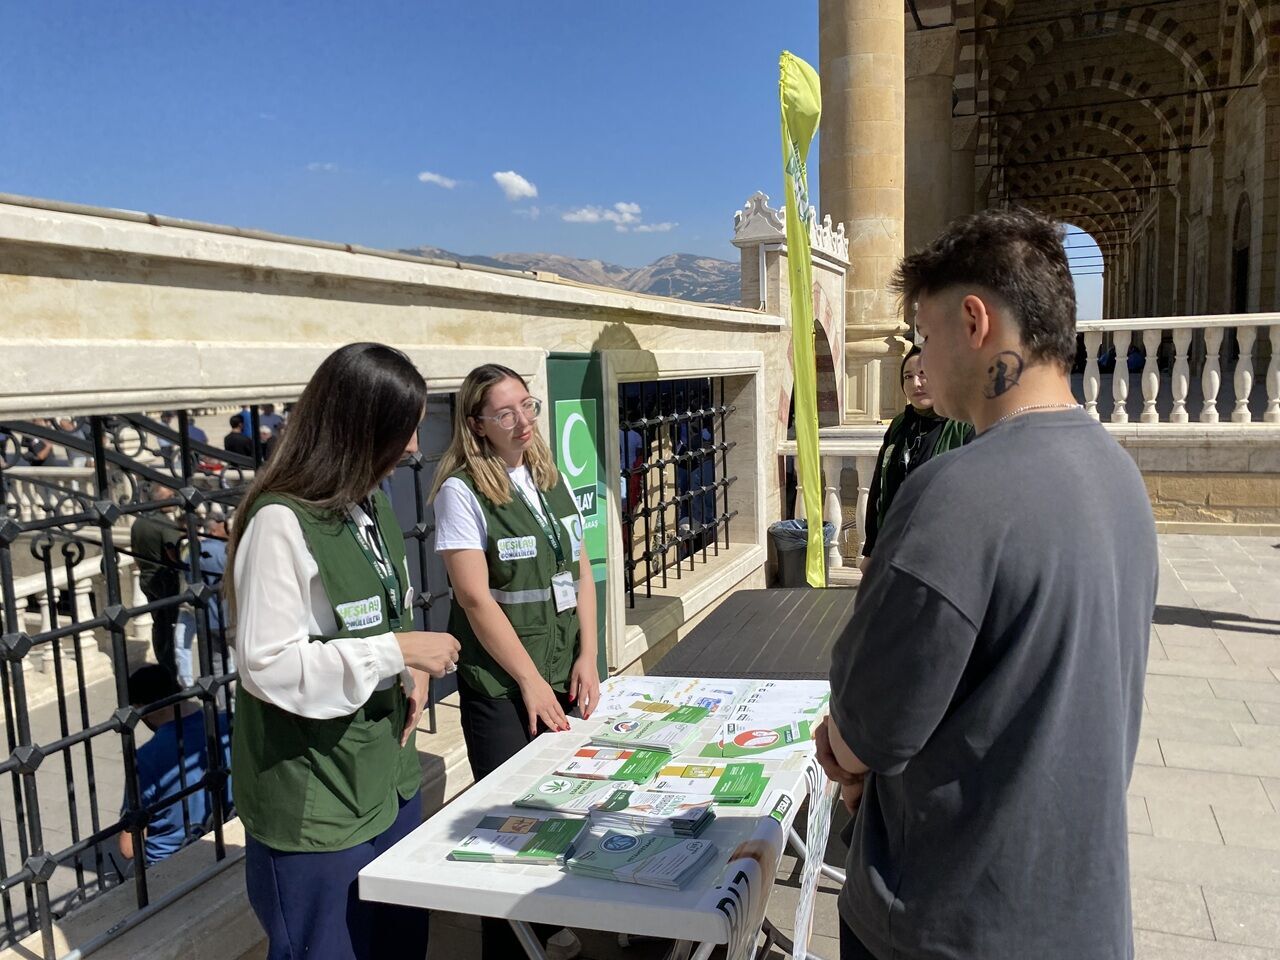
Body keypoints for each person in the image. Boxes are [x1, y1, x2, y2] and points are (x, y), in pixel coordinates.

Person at [817, 208, 1157, 960]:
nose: (921, 358)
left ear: (974, 322)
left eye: (924, 333)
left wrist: (844, 749)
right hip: (1078, 915)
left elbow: (866, 724)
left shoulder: (957, 492)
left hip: (949, 921)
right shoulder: (1118, 475)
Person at [226, 342, 460, 960]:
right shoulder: (279, 523)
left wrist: (409, 669)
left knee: (399, 944)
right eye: (404, 430)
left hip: (386, 781)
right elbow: (267, 664)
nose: (414, 447)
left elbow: (382, 610)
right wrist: (395, 651)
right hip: (319, 803)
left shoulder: (369, 504)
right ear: (360, 431)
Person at [429, 363, 599, 960]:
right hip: (503, 685)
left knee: (559, 807)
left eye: (527, 406)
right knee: (508, 827)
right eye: (505, 413)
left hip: (560, 670)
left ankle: (547, 927)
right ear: (477, 424)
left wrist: (589, 656)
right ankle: (509, 947)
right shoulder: (461, 492)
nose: (523, 421)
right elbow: (475, 599)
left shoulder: (548, 476)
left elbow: (581, 571)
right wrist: (528, 680)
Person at [858, 345, 971, 572]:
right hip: (894, 551)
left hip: (943, 557)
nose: (915, 384)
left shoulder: (964, 426)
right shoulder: (900, 425)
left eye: (924, 374)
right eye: (908, 377)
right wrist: (870, 549)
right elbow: (879, 488)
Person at [119, 665, 231, 866]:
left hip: (172, 860)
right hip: (227, 837)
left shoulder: (146, 757)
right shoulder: (227, 724)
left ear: (140, 709)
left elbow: (129, 848)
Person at [130, 483, 183, 680]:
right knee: (171, 625)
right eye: (170, 497)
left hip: (147, 579)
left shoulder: (138, 523)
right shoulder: (165, 524)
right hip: (165, 580)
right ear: (159, 501)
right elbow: (174, 554)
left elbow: (135, 554)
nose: (175, 500)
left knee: (159, 623)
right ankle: (171, 668)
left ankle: (163, 663)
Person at [174, 510, 231, 686]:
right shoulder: (226, 551)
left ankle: (218, 695)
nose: (227, 530)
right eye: (223, 528)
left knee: (216, 663)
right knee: (232, 660)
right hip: (228, 615)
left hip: (205, 616)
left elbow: (188, 578)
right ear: (214, 530)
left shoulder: (193, 552)